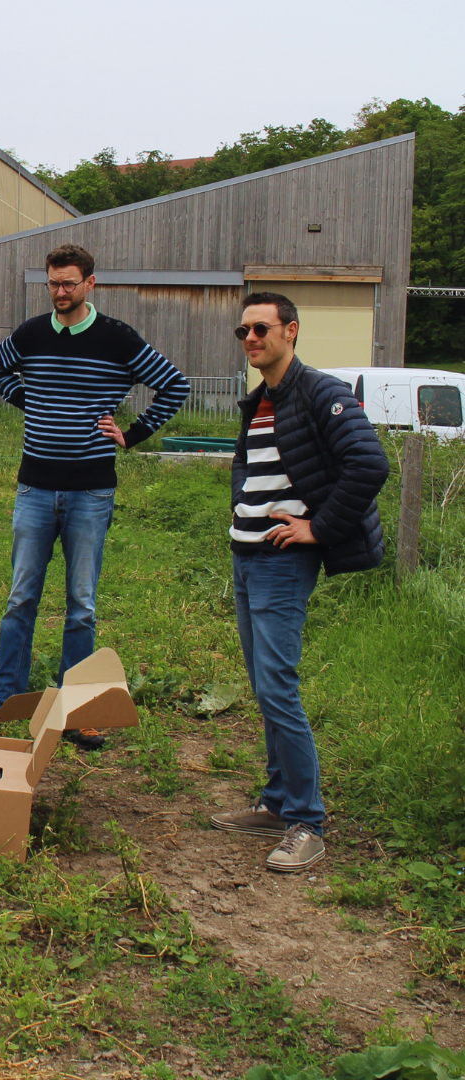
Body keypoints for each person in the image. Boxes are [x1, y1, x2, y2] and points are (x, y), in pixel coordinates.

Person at [211, 292, 389, 872]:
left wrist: (319, 528)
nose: (250, 339)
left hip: (282, 563)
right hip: (247, 556)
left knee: (278, 688)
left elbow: (370, 463)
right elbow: (253, 469)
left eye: (260, 328)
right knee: (264, 689)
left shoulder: (321, 392)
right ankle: (277, 802)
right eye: (243, 331)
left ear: (291, 331)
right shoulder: (260, 399)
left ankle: (307, 822)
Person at [0, 243, 189, 748]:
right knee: (20, 599)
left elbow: (175, 385)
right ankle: (5, 701)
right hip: (34, 487)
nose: (60, 291)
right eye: (54, 283)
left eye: (69, 283)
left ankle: (75, 711)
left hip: (90, 492)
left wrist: (132, 434)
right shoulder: (31, 334)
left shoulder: (117, 338)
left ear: (90, 284)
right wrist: (27, 398)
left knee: (81, 605)